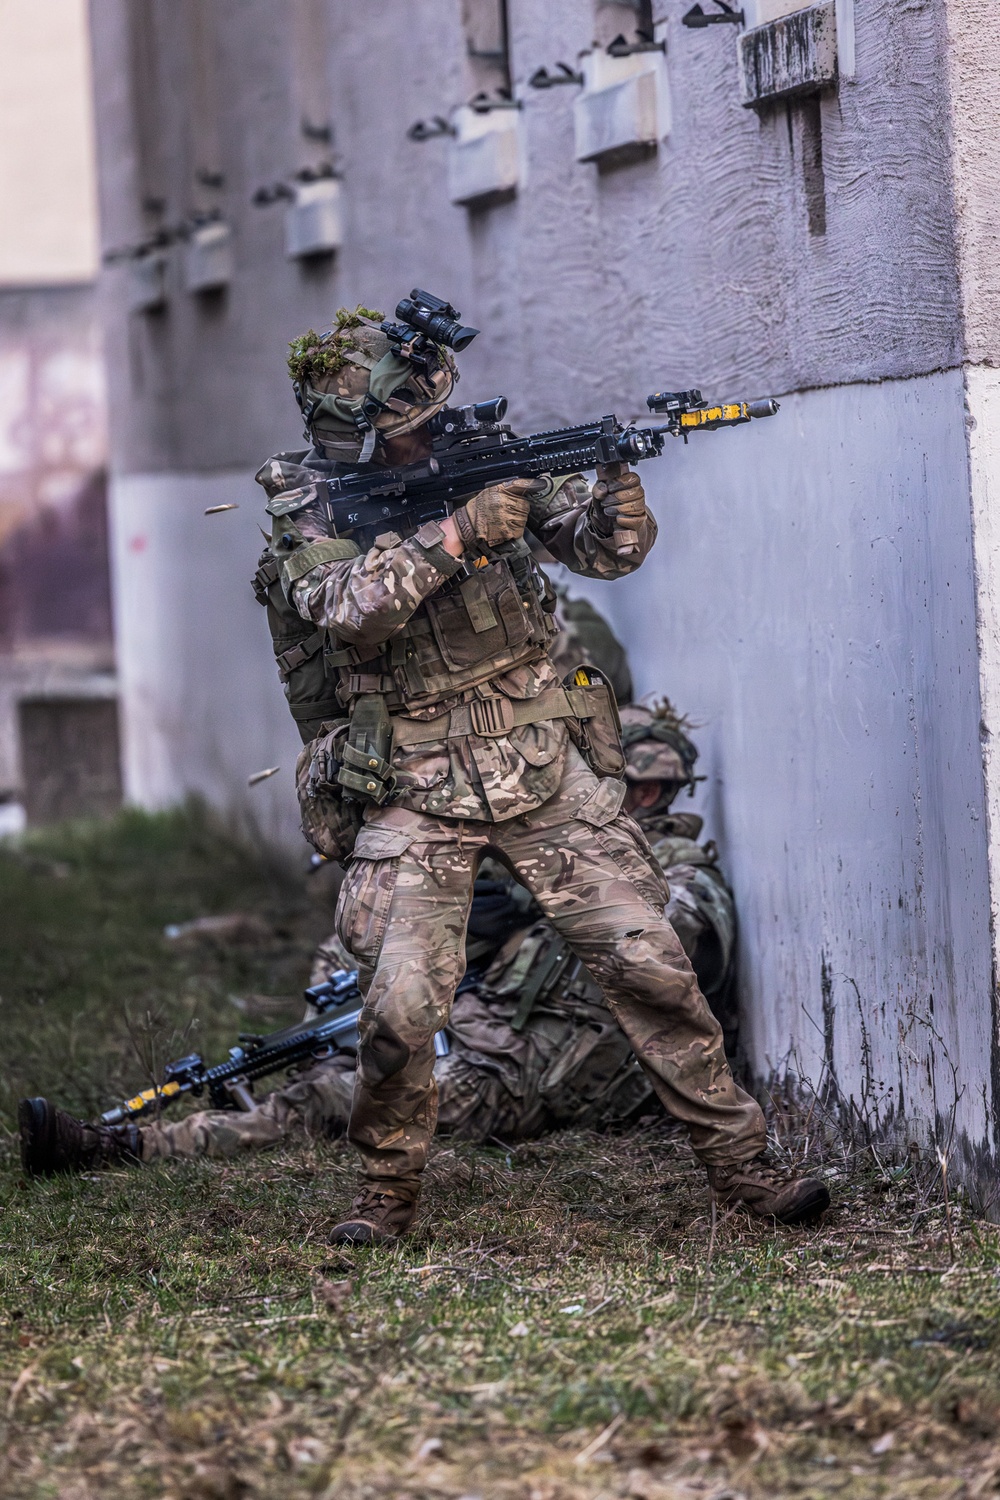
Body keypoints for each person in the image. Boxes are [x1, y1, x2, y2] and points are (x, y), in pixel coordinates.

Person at [246, 300, 828, 1242]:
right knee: (400, 1004)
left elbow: (607, 552)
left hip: (540, 762)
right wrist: (457, 533)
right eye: (405, 431)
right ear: (353, 436)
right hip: (412, 778)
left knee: (650, 962)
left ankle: (746, 1168)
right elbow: (346, 607)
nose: (426, 439)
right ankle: (386, 1196)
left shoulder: (486, 452)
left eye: (431, 420)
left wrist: (616, 485)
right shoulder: (307, 499)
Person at [18, 701, 740, 1175]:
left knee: (340, 1099)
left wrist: (555, 890)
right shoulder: (567, 845)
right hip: (485, 1031)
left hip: (538, 1072)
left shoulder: (678, 868)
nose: (626, 797)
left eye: (644, 788)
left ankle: (124, 1146)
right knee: (358, 985)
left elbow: (680, 935)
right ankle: (296, 1081)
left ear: (662, 794)